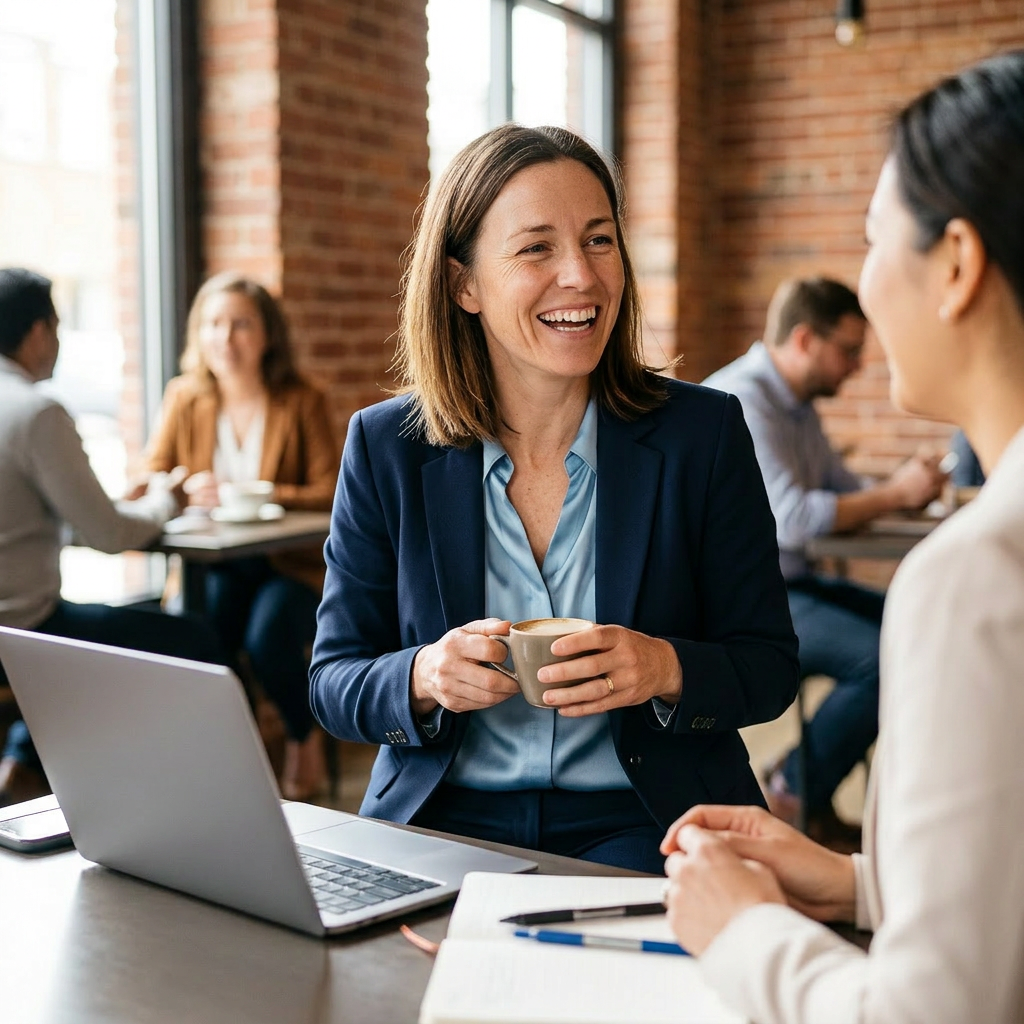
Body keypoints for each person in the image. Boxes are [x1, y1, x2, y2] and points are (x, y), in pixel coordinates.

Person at [309, 124, 800, 875]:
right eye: (536, 247)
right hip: (443, 819)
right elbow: (333, 680)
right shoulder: (387, 446)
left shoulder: (703, 434)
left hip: (647, 818)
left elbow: (767, 666)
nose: (581, 275)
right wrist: (423, 676)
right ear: (462, 283)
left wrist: (662, 666)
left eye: (599, 240)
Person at [661, 50, 1024, 1022]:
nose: (864, 300)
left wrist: (741, 926)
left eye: (872, 240)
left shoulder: (977, 574)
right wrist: (864, 879)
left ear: (954, 264)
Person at [704, 278, 946, 835]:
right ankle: (794, 788)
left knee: (917, 625)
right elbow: (791, 518)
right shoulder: (741, 399)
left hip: (796, 581)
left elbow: (842, 486)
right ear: (807, 340)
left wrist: (907, 489)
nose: (857, 365)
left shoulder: (799, 407)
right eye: (849, 350)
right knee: (883, 660)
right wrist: (895, 495)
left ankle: (817, 788)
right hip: (747, 599)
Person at [0, 268, 224, 806]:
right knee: (194, 642)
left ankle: (22, 761)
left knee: (104, 621)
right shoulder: (35, 411)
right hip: (22, 628)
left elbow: (59, 517)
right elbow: (108, 534)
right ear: (37, 333)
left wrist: (122, 507)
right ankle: (195, 797)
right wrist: (168, 498)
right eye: (56, 327)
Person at [139, 272, 338, 800]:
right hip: (216, 565)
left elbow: (330, 488)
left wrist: (256, 490)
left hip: (288, 564)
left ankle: (301, 733)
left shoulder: (301, 399)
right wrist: (182, 486)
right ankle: (241, 765)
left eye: (241, 325)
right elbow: (149, 476)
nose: (226, 339)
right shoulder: (185, 397)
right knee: (204, 640)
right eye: (214, 324)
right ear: (198, 335)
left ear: (268, 334)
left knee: (268, 636)